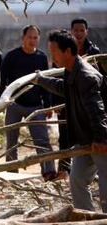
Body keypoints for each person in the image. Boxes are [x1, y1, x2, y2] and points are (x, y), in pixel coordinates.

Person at [34, 30, 107, 212]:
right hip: (85, 139)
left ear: (67, 51)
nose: (52, 56)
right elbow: (63, 88)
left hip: (100, 139)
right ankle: (87, 218)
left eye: (54, 51)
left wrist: (101, 139)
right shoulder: (71, 71)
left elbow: (97, 110)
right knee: (77, 180)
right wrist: (41, 80)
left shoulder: (86, 76)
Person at [1, 25, 56, 180]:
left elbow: (46, 82)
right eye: (29, 37)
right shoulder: (12, 56)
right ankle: (10, 172)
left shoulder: (41, 57)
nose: (32, 40)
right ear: (23, 38)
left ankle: (49, 171)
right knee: (11, 141)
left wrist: (48, 105)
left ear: (38, 39)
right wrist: (2, 102)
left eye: (35, 37)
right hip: (14, 105)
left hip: (35, 106)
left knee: (42, 141)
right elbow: (2, 80)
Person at [52, 18, 102, 175]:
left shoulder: (92, 58)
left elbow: (96, 107)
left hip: (90, 115)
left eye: (82, 30)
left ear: (86, 32)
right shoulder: (63, 58)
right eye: (76, 30)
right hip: (69, 106)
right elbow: (62, 84)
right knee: (65, 137)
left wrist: (101, 137)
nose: (79, 33)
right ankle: (63, 171)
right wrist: (56, 104)